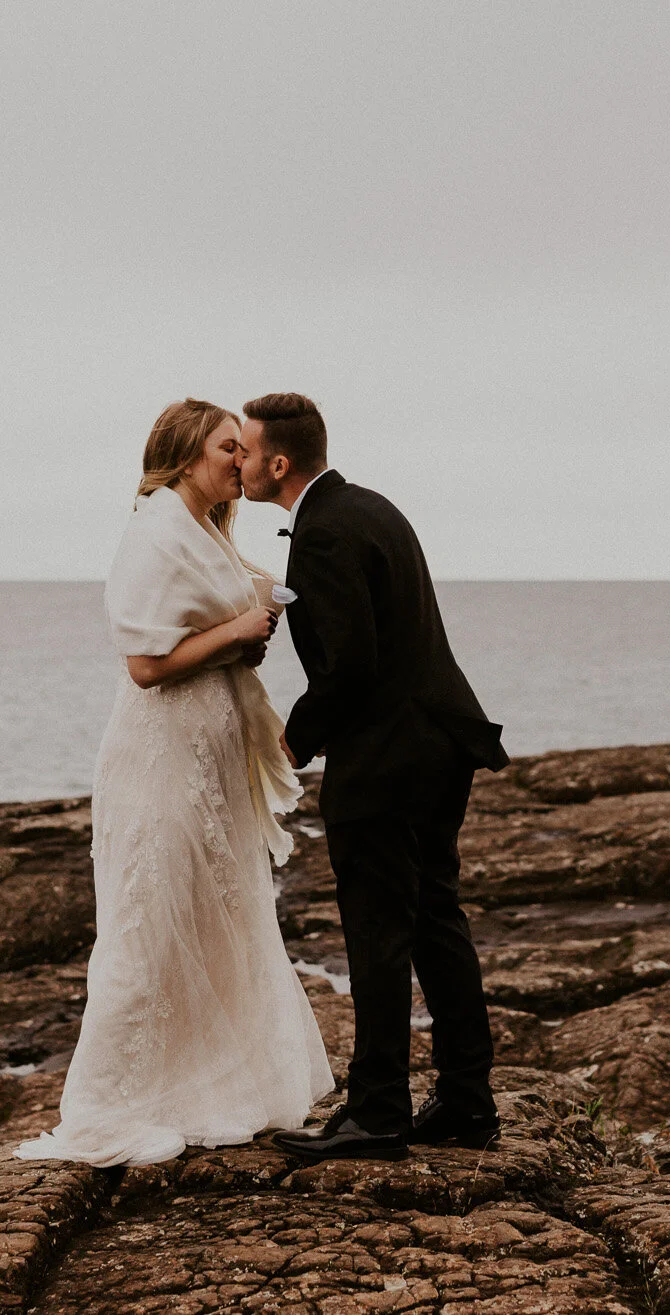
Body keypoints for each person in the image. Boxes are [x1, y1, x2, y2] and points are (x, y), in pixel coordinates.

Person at [14, 400, 333, 1167]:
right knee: (151, 918)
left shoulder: (210, 531)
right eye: (229, 447)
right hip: (161, 757)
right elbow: (147, 665)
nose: (242, 460)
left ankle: (204, 1088)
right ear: (189, 455)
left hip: (209, 755)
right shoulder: (155, 530)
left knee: (212, 914)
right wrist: (240, 632)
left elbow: (208, 640)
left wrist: (243, 641)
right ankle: (106, 1106)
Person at [237, 392, 509, 1162]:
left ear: (278, 462)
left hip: (387, 761)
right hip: (439, 746)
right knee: (434, 921)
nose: (242, 465)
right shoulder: (373, 508)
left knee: (380, 934)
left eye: (248, 452)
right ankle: (466, 1101)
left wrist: (294, 738)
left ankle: (379, 1110)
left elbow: (351, 664)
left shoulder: (323, 533)